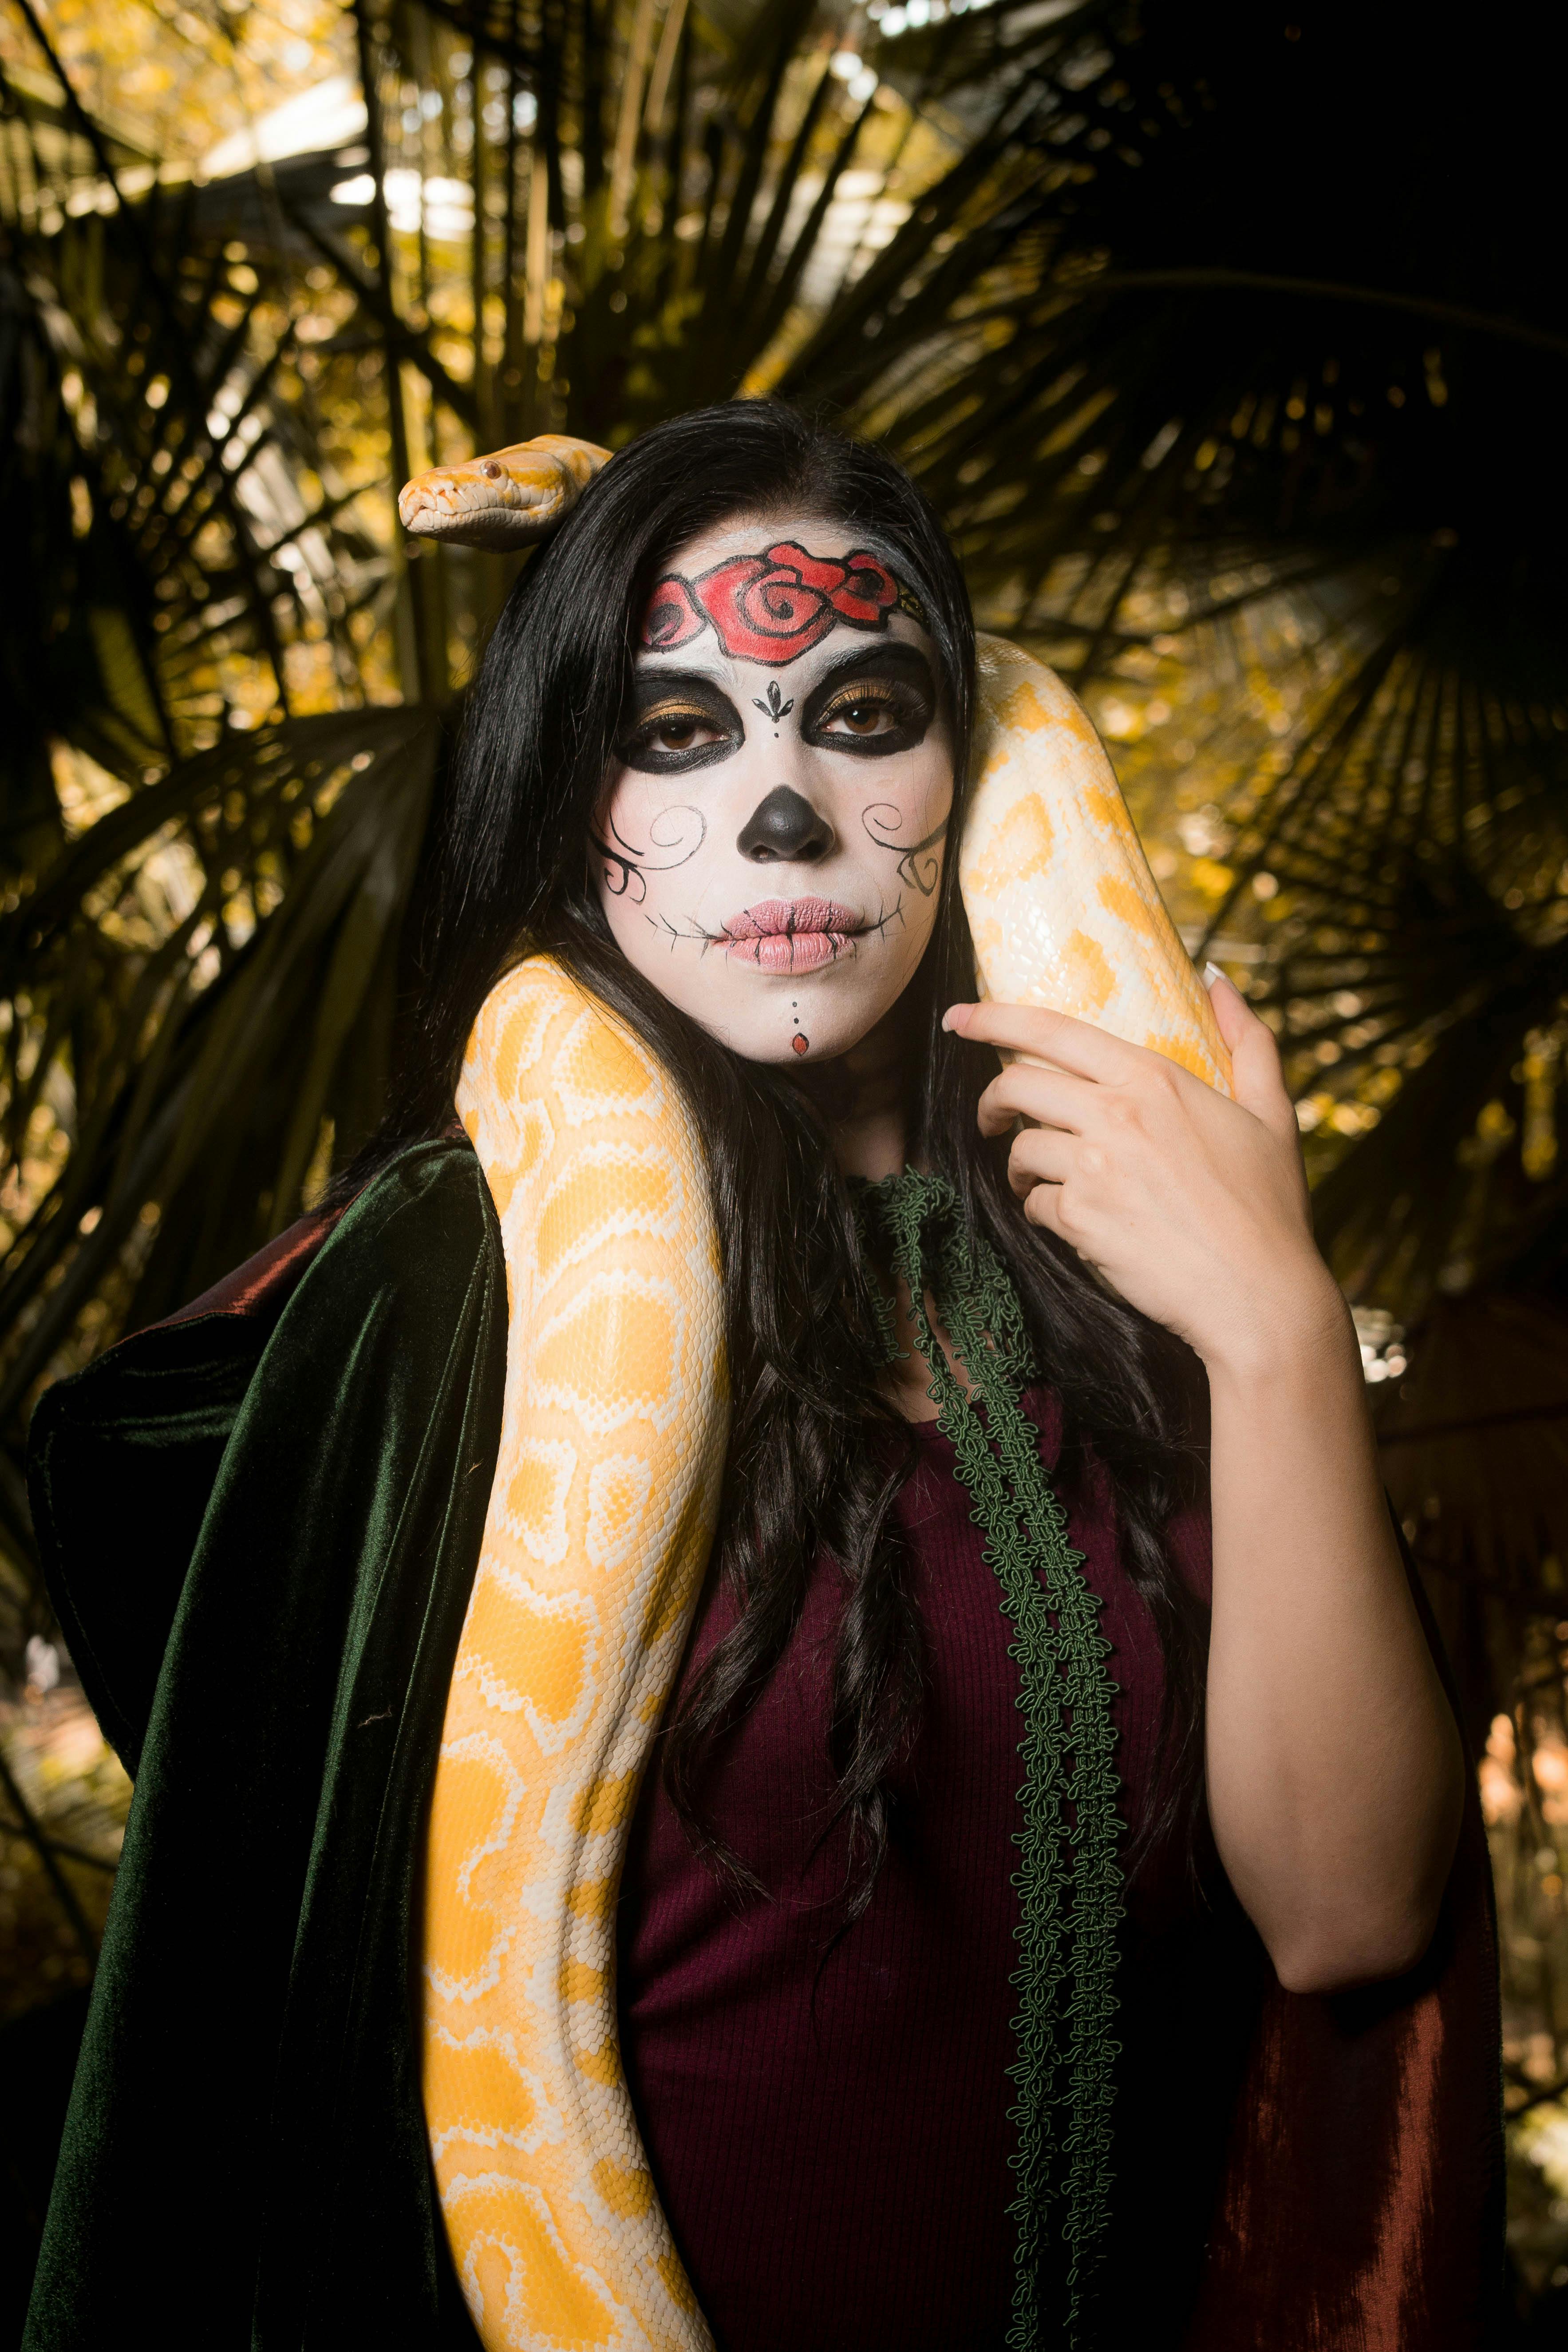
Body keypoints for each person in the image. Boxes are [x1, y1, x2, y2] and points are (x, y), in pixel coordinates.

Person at [24, 403, 1500, 2351]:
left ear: (969, 765)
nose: (783, 805)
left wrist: (1277, 1324)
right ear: (569, 789)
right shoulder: (449, 1284)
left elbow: (1351, 1919)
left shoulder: (1136, 1265)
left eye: (866, 712)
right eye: (676, 727)